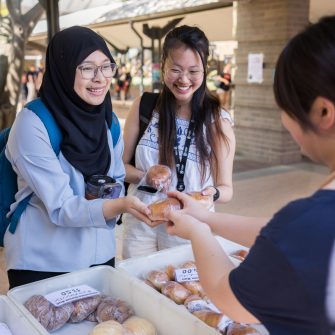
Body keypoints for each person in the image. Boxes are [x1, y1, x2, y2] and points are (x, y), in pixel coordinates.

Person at [164, 16, 335, 335]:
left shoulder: (311, 220)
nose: (284, 119)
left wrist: (198, 231)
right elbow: (279, 235)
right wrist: (206, 218)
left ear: (323, 112)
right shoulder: (307, 224)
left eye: (284, 105)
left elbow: (230, 298)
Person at [4, 26, 150, 289]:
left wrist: (122, 198)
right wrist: (120, 206)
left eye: (106, 66)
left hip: (100, 256)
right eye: (87, 68)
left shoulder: (108, 121)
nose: (100, 78)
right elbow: (61, 206)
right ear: (63, 68)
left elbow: (114, 178)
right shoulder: (33, 123)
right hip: (44, 263)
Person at [122, 25, 235, 259]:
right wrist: (146, 175)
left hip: (188, 227)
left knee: (181, 293)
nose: (184, 79)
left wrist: (211, 194)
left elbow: (226, 189)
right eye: (175, 69)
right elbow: (120, 167)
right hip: (142, 221)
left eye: (194, 71)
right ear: (162, 65)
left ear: (205, 70)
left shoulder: (217, 120)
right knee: (138, 290)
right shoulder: (145, 106)